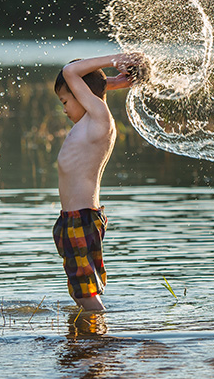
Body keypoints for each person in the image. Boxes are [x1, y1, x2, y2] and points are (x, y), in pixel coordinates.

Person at [52, 52, 148, 311]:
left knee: (86, 294)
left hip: (80, 218)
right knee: (79, 292)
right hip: (73, 219)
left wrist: (115, 59)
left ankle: (103, 343)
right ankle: (90, 341)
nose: (64, 109)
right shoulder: (91, 119)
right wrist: (112, 83)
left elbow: (70, 71)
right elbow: (87, 85)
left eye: (65, 100)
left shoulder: (99, 119)